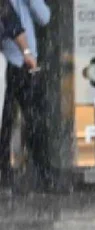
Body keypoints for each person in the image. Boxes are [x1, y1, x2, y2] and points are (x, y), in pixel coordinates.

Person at [0, 0, 47, 192]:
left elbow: (43, 17)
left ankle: (40, 172)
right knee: (9, 122)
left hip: (17, 64)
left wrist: (26, 52)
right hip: (11, 61)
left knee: (29, 119)